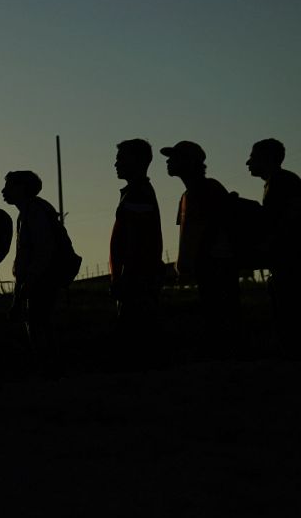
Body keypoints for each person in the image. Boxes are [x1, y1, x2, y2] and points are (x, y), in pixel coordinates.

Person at [164, 140, 239, 350]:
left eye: (174, 157)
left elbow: (213, 229)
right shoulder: (187, 196)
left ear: (189, 162)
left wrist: (195, 261)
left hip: (217, 266)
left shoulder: (209, 189)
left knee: (222, 321)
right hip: (206, 266)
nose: (169, 162)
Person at [2, 171, 76, 377]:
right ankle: (49, 370)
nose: (4, 191)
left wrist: (29, 282)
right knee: (39, 324)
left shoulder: (33, 212)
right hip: (39, 279)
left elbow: (43, 250)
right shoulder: (28, 212)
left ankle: (49, 371)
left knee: (39, 325)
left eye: (9, 186)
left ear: (21, 188)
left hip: (41, 280)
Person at [109, 138, 164, 365]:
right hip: (136, 277)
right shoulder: (135, 192)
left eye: (121, 158)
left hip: (136, 278)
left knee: (135, 338)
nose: (116, 163)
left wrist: (124, 276)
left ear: (137, 161)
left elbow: (135, 238)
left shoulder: (138, 193)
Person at [246, 138, 301, 354]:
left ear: (266, 159)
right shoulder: (281, 181)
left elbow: (282, 221)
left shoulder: (282, 182)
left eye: (252, 157)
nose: (247, 163)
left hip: (291, 262)